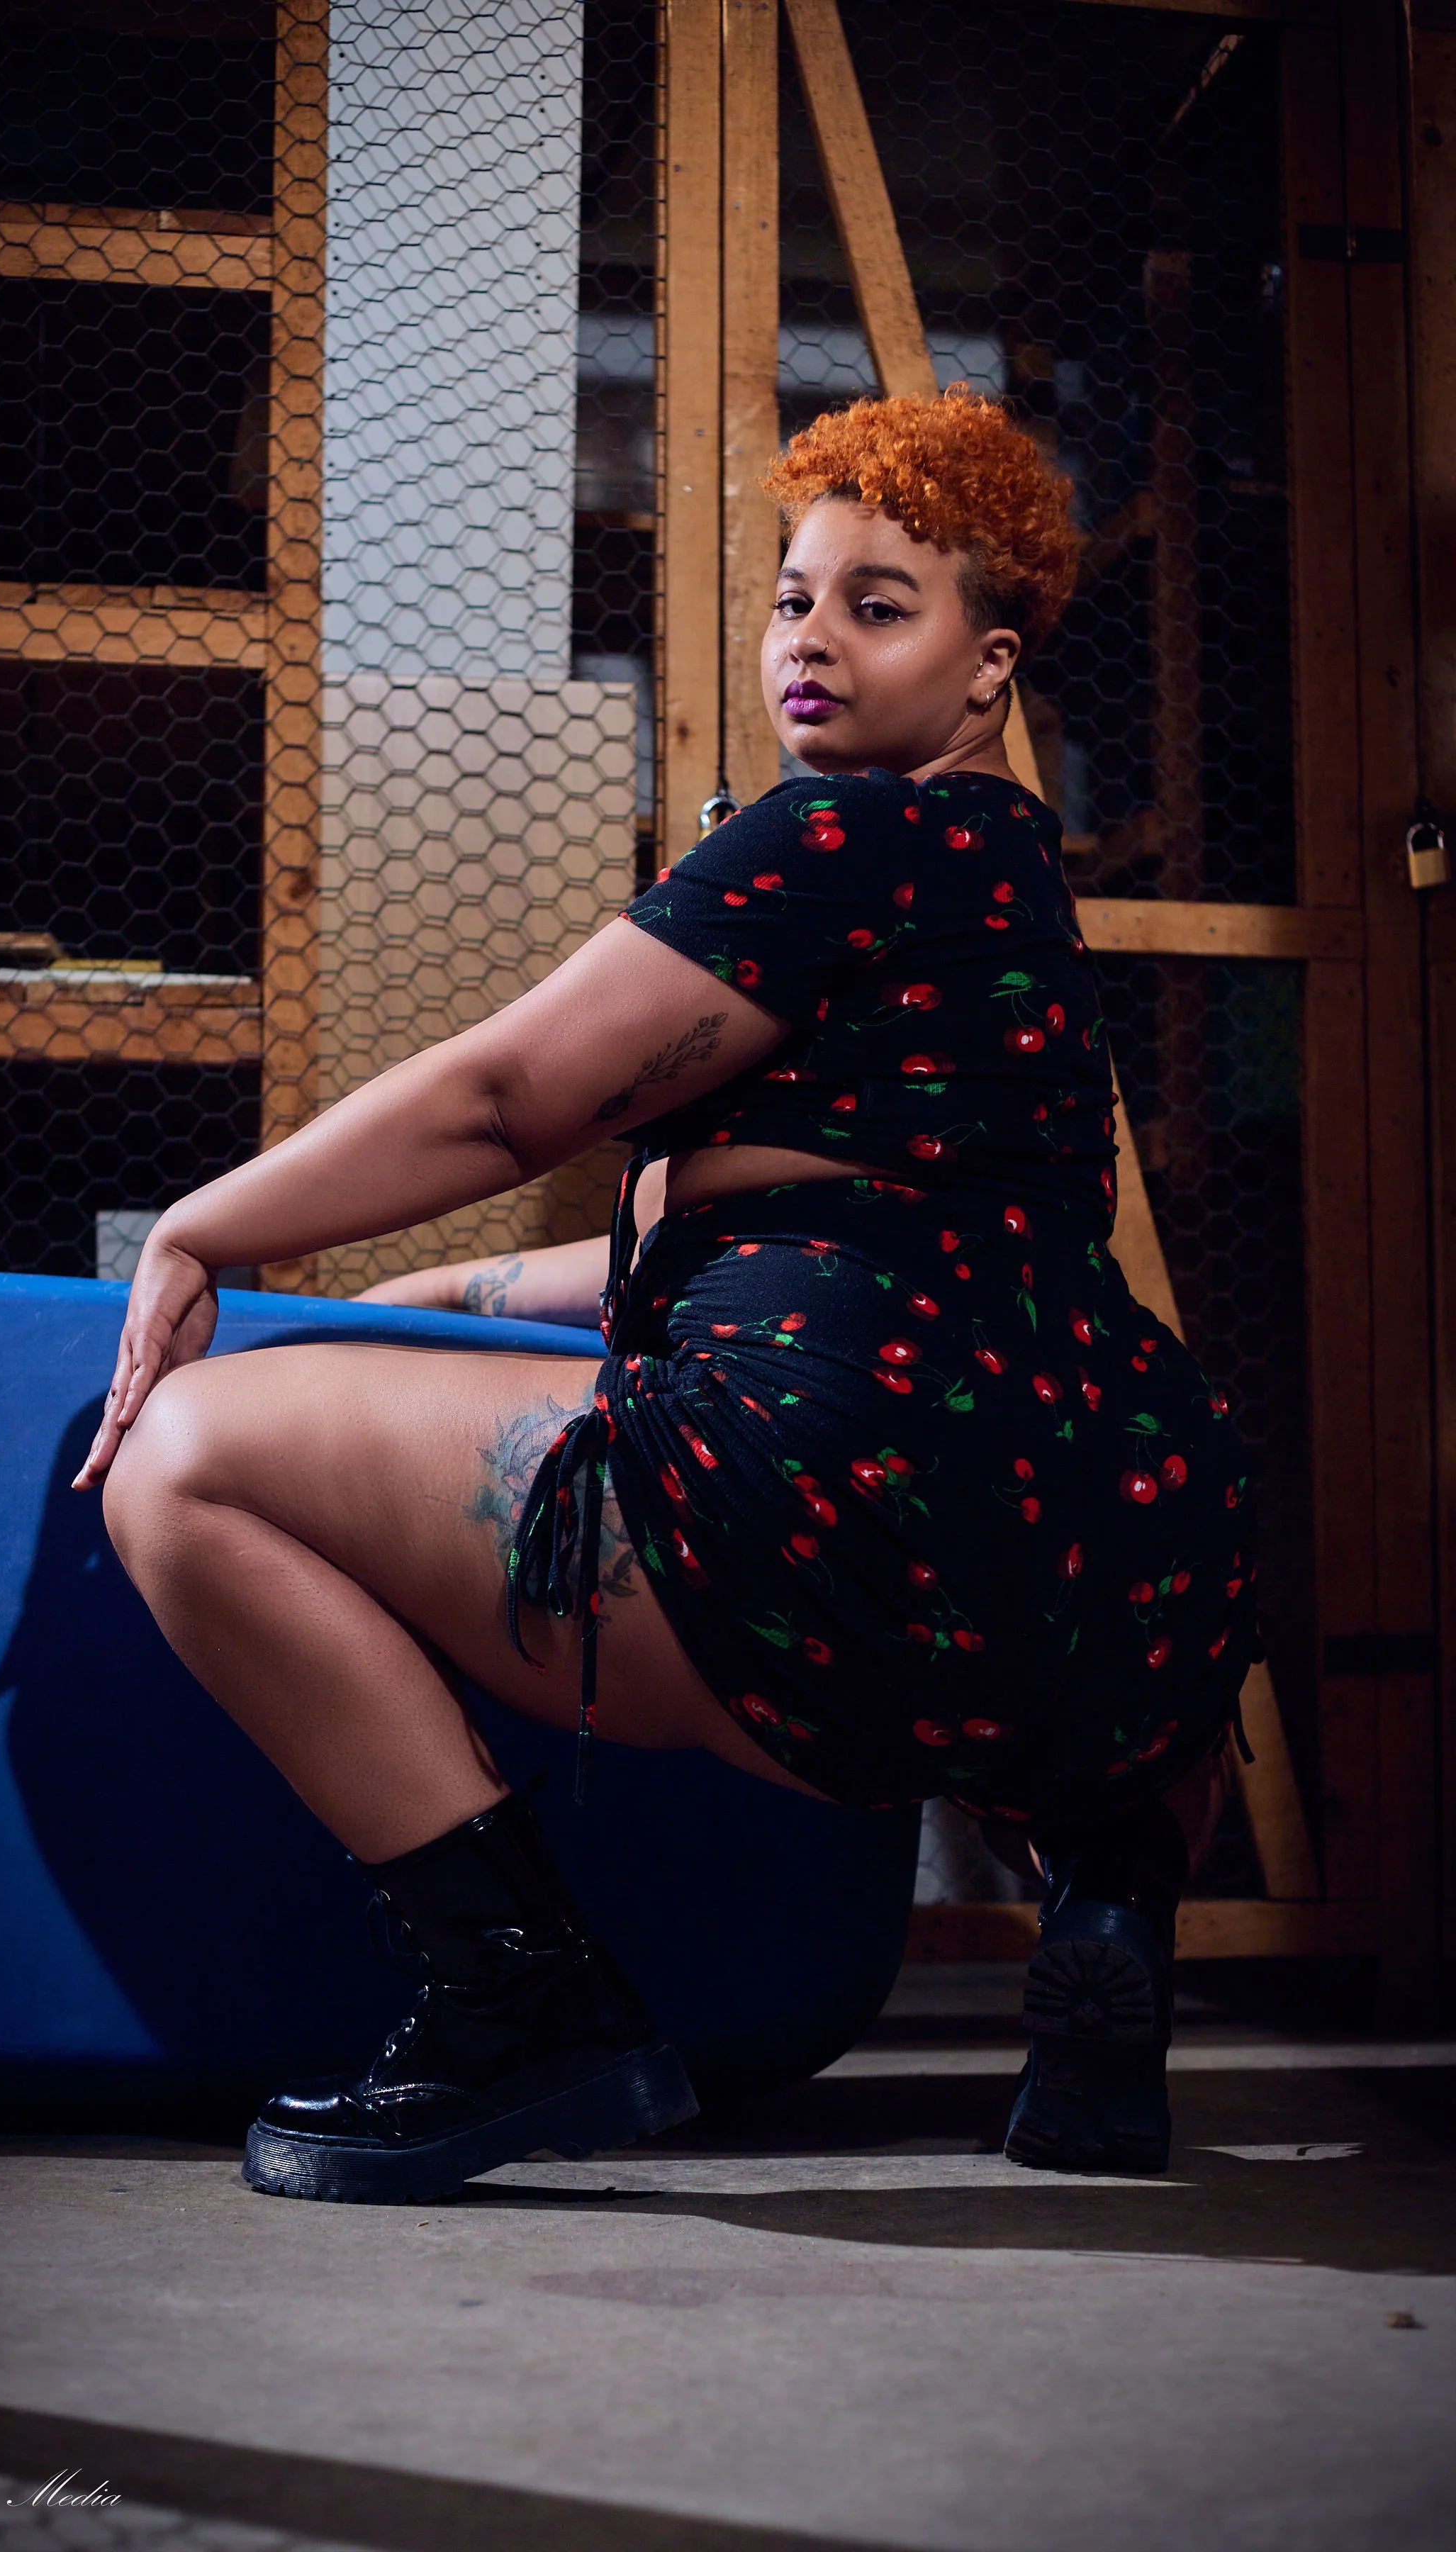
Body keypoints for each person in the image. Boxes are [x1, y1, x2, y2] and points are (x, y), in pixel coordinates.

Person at [77, 387, 1255, 2200]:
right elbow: (845, 1238)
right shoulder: (1013, 884)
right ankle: (1108, 1914)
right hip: (1116, 1561)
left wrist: (207, 1231)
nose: (811, 638)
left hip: (821, 1533)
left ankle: (513, 1999)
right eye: (795, 595)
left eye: (881, 604)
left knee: (187, 1460)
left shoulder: (836, 838)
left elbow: (505, 1098)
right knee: (1000, 1517)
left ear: (984, 668)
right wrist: (475, 1289)